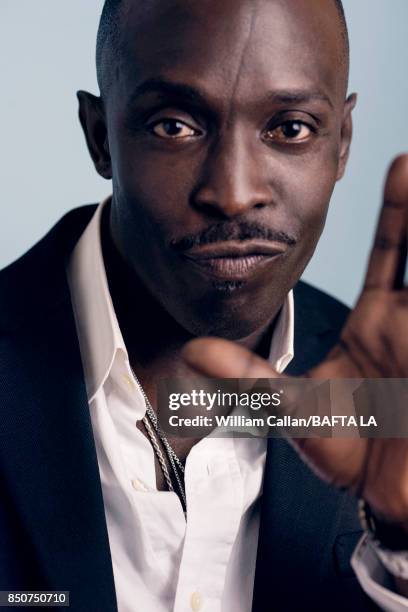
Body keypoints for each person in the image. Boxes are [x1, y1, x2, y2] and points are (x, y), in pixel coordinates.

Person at [1, 0, 408, 610]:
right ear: (100, 136)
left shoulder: (388, 399)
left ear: (341, 141)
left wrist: (400, 538)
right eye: (174, 125)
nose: (234, 194)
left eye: (290, 128)